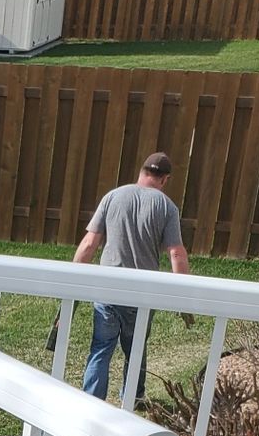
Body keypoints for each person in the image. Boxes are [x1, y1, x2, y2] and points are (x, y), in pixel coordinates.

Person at [72, 152, 190, 402]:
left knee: (101, 349)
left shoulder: (113, 196)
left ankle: (92, 402)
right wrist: (184, 296)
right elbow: (176, 253)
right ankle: (132, 399)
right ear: (164, 179)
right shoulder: (167, 207)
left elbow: (89, 243)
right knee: (135, 350)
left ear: (142, 171)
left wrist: (72, 280)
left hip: (107, 290)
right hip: (141, 296)